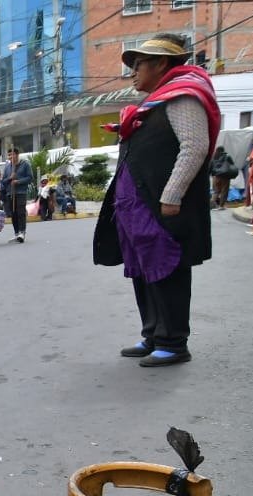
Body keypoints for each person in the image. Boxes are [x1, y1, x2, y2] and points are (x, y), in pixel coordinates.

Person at [94, 33, 219, 368]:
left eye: (138, 65)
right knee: (143, 272)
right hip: (138, 211)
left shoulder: (183, 96)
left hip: (162, 206)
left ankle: (174, 342)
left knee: (167, 269)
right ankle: (152, 334)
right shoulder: (153, 104)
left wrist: (172, 194)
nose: (133, 72)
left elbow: (194, 148)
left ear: (162, 63)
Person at [0, 147, 34, 243]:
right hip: (10, 193)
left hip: (21, 192)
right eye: (9, 155)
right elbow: (3, 181)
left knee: (20, 212)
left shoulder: (25, 164)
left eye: (12, 154)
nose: (10, 156)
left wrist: (18, 181)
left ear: (17, 155)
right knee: (13, 214)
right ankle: (16, 233)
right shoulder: (7, 167)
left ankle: (22, 232)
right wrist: (10, 178)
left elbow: (30, 178)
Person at [209, 145, 236, 209]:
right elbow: (232, 165)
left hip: (216, 177)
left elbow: (210, 167)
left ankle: (211, 204)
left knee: (216, 191)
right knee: (224, 191)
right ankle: (221, 206)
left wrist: (211, 174)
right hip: (225, 177)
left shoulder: (214, 157)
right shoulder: (227, 156)